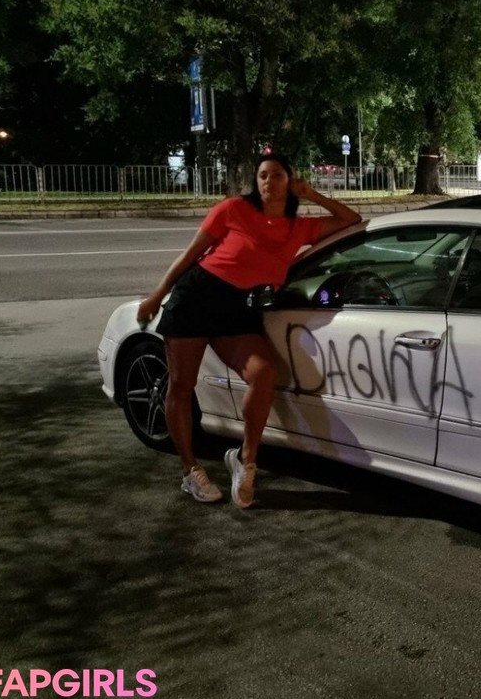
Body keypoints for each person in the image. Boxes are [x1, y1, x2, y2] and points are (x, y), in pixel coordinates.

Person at [136, 152, 361, 507]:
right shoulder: (233, 209)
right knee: (181, 385)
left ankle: (246, 460)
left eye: (276, 175)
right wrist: (157, 294)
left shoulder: (300, 227)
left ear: (290, 180)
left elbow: (352, 219)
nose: (268, 182)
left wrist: (312, 194)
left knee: (263, 373)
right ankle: (190, 470)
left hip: (238, 309)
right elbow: (191, 254)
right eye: (262, 176)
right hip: (197, 297)